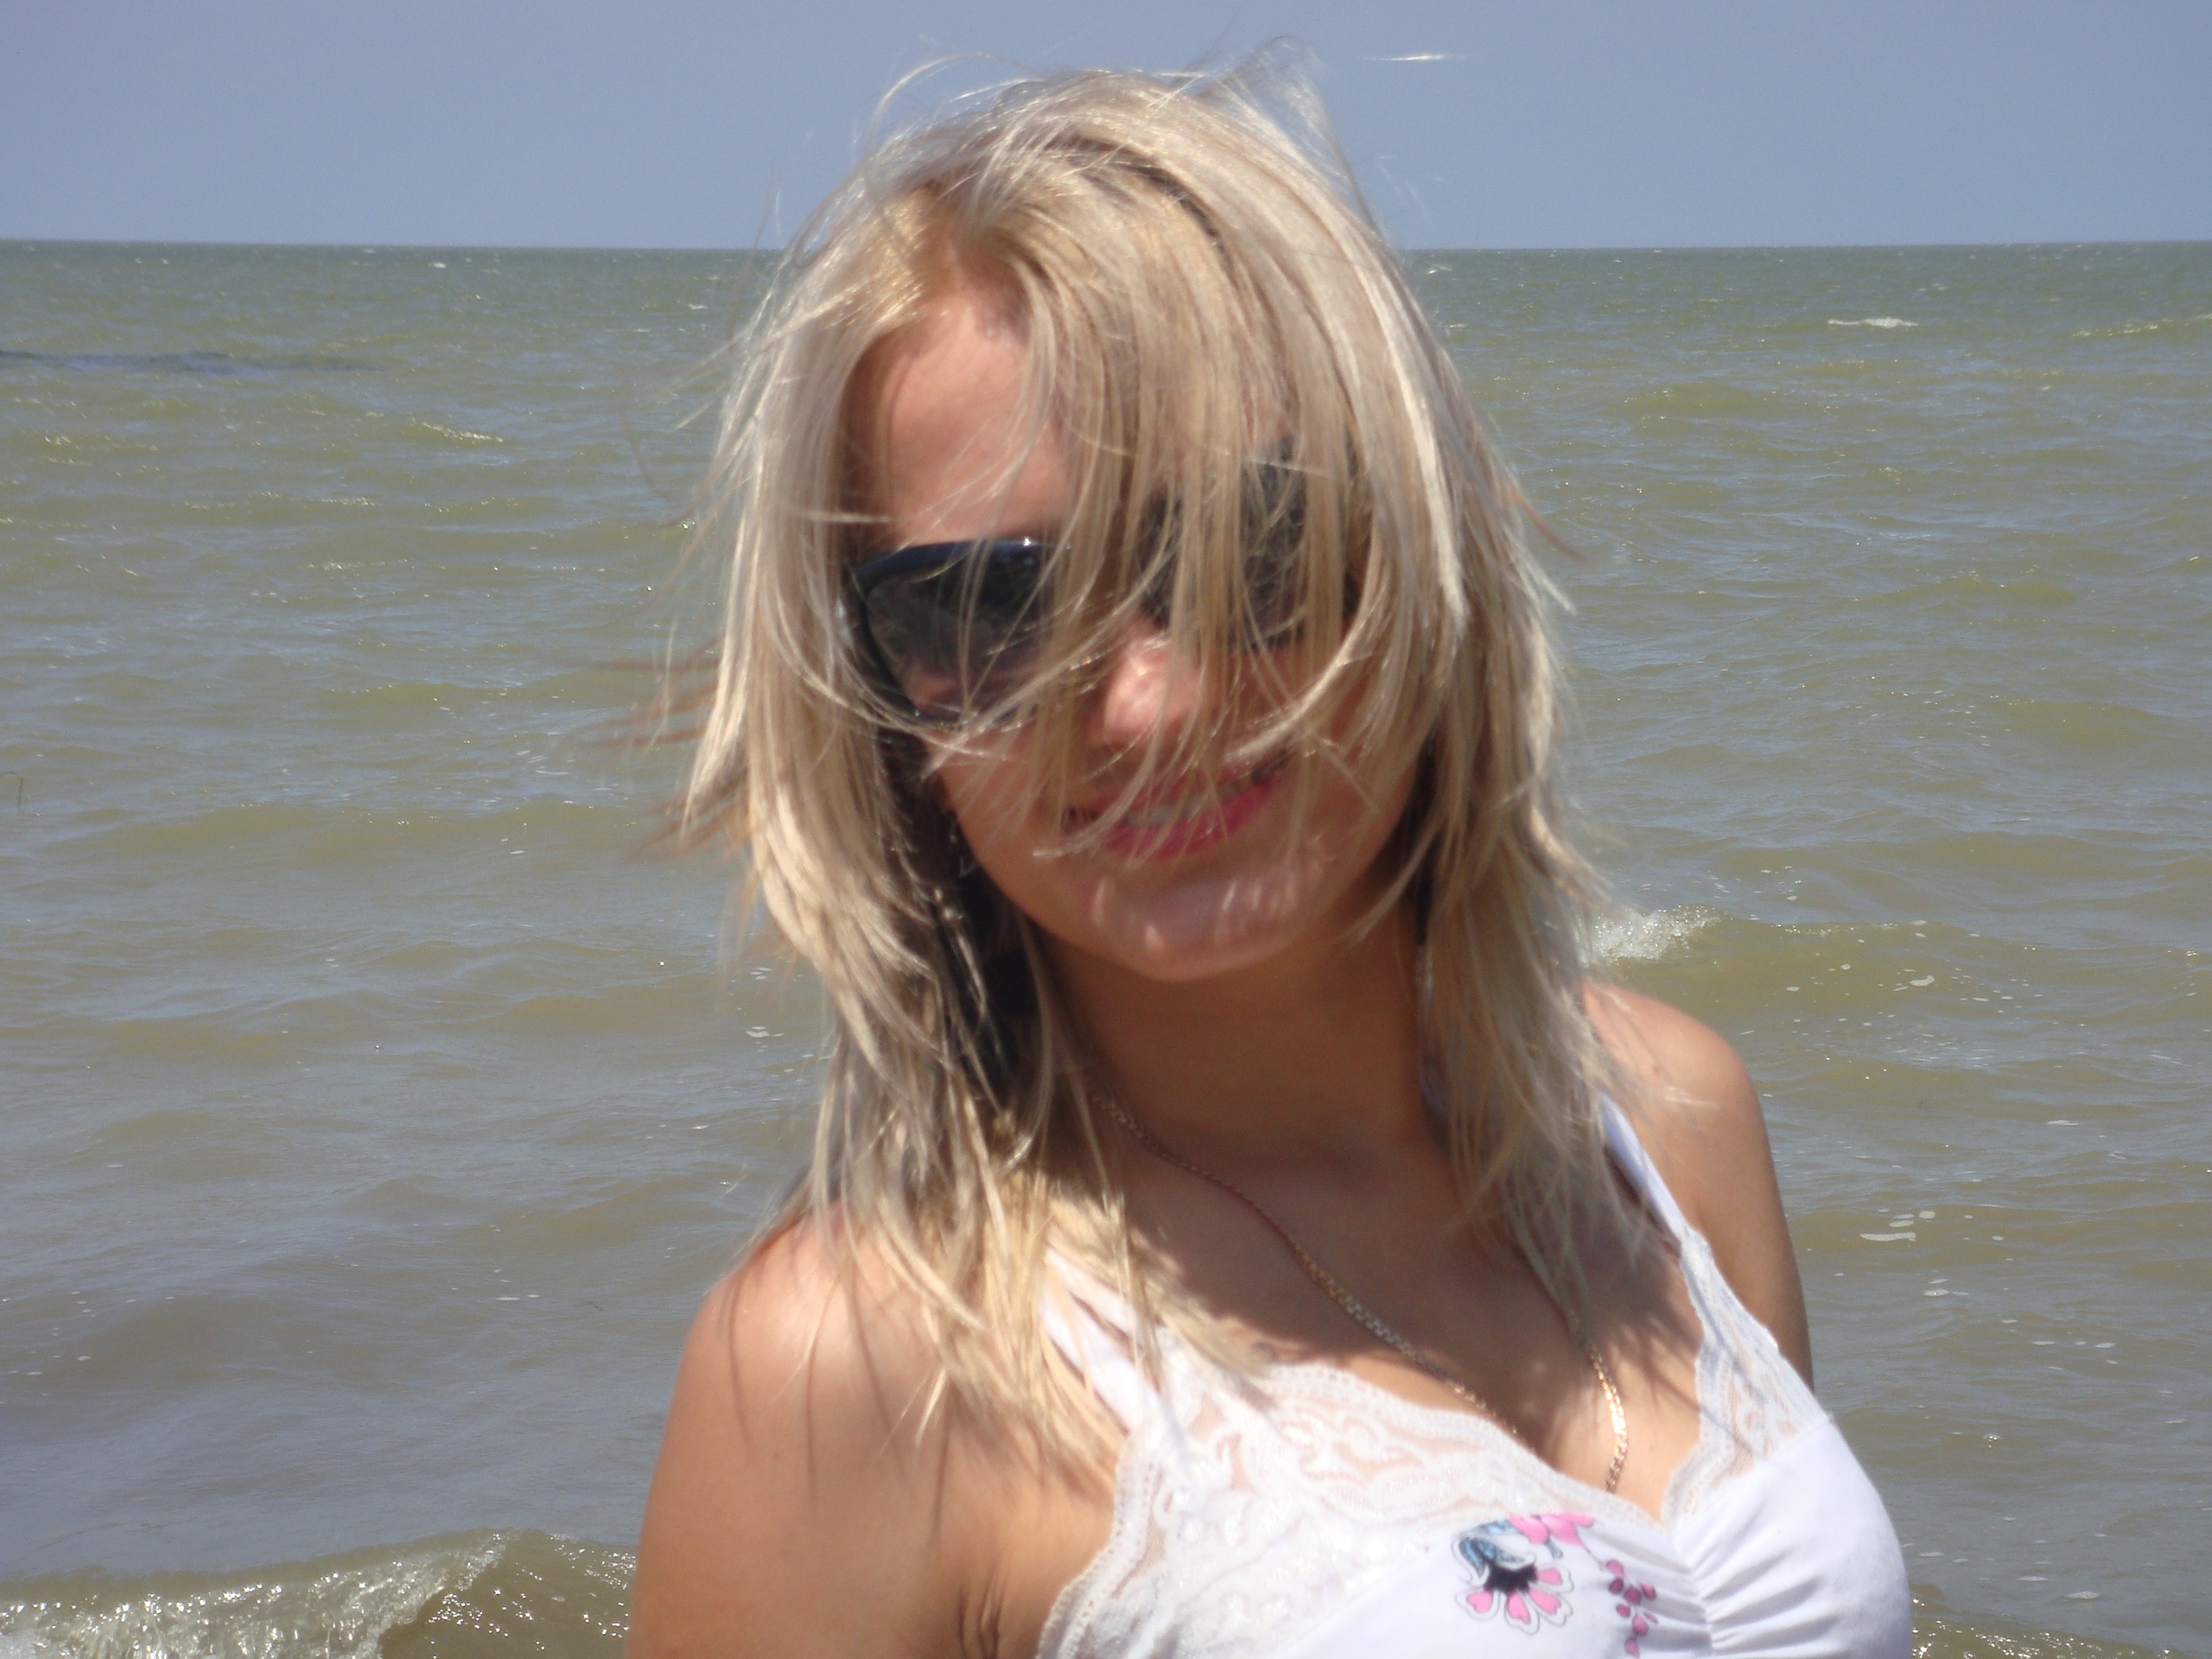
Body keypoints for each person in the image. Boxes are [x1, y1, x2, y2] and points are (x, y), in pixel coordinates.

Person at [627, 56, 1910, 1659]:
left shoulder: (1671, 1123)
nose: (1146, 703)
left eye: (1259, 551)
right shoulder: (853, 1373)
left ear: (1420, 549)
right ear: (881, 706)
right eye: (991, 607)